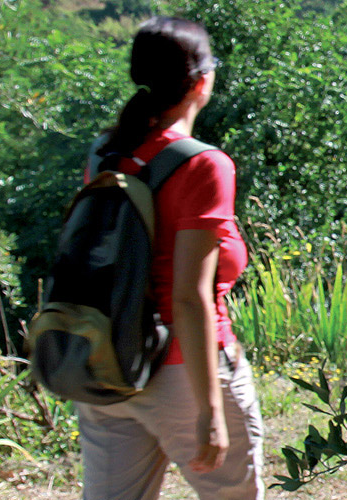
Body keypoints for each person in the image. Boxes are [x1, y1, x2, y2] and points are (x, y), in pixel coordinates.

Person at [73, 16, 262, 500]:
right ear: (202, 81)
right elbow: (188, 298)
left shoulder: (105, 154)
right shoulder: (203, 165)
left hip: (108, 362)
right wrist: (211, 411)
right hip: (181, 370)